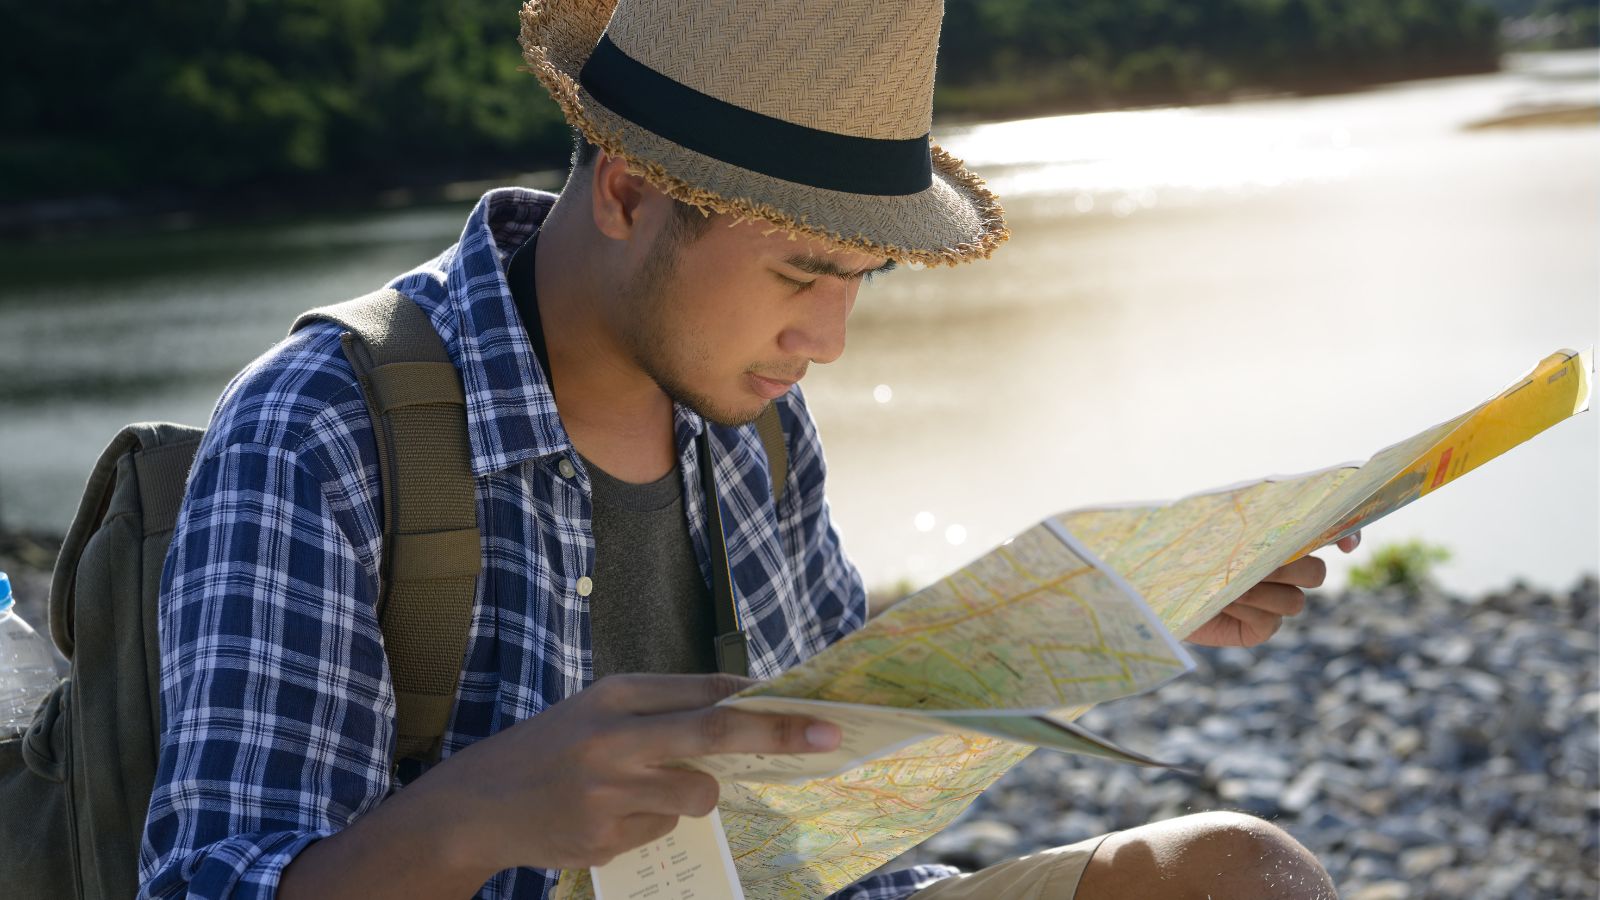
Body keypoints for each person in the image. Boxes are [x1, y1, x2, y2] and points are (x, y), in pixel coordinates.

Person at [137, 0, 1356, 897]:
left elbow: (821, 802)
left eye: (859, 280)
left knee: (1239, 875)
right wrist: (473, 818)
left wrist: (1107, 612)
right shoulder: (323, 428)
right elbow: (205, 882)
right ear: (627, 194)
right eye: (800, 270)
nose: (827, 336)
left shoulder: (750, 417)